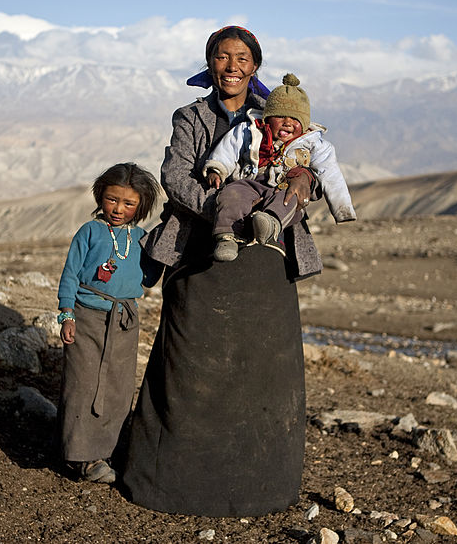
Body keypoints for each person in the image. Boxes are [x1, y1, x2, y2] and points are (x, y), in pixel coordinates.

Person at [118, 26, 316, 517]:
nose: (232, 66)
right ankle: (171, 482)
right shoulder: (189, 117)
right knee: (187, 363)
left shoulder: (278, 118)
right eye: (222, 57)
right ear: (210, 65)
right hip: (198, 247)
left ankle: (261, 482)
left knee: (261, 366)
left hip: (265, 256)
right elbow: (174, 175)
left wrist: (291, 192)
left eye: (242, 58)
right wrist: (225, 213)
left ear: (255, 67)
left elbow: (302, 167)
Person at [56, 162, 161, 484]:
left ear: (140, 206)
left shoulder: (142, 237)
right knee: (82, 385)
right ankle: (80, 458)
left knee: (117, 388)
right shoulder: (89, 232)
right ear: (100, 196)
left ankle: (106, 452)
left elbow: (149, 280)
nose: (118, 209)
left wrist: (161, 250)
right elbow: (70, 274)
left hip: (125, 322)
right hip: (87, 317)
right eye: (112, 200)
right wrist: (66, 314)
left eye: (129, 204)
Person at [204, 72, 356, 261]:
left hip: (284, 187)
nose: (288, 123)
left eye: (295, 119)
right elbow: (228, 149)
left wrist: (342, 209)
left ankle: (270, 224)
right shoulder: (250, 130)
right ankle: (226, 237)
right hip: (250, 182)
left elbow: (331, 174)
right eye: (280, 116)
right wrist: (217, 169)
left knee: (289, 199)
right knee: (232, 194)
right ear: (268, 116)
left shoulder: (314, 144)